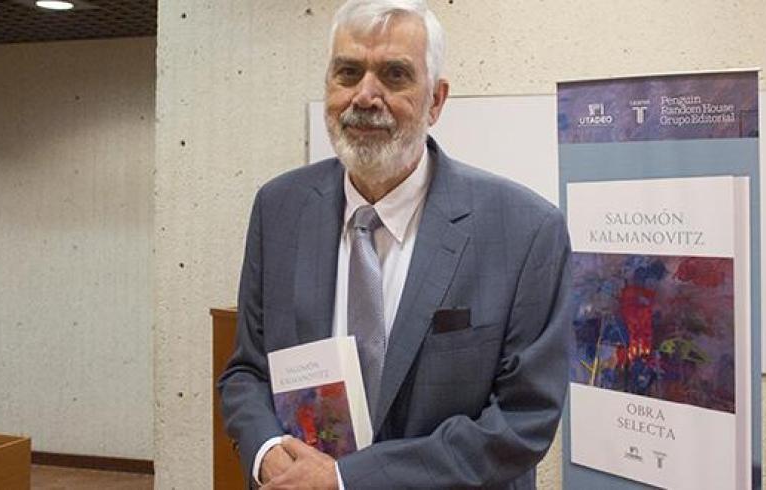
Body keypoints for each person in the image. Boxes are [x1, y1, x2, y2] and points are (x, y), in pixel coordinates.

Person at [218, 1, 572, 488]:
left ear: (436, 101)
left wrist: (347, 479)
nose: (365, 95)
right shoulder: (278, 209)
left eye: (394, 74)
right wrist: (266, 454)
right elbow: (247, 371)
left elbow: (522, 422)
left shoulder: (527, 231)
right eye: (348, 72)